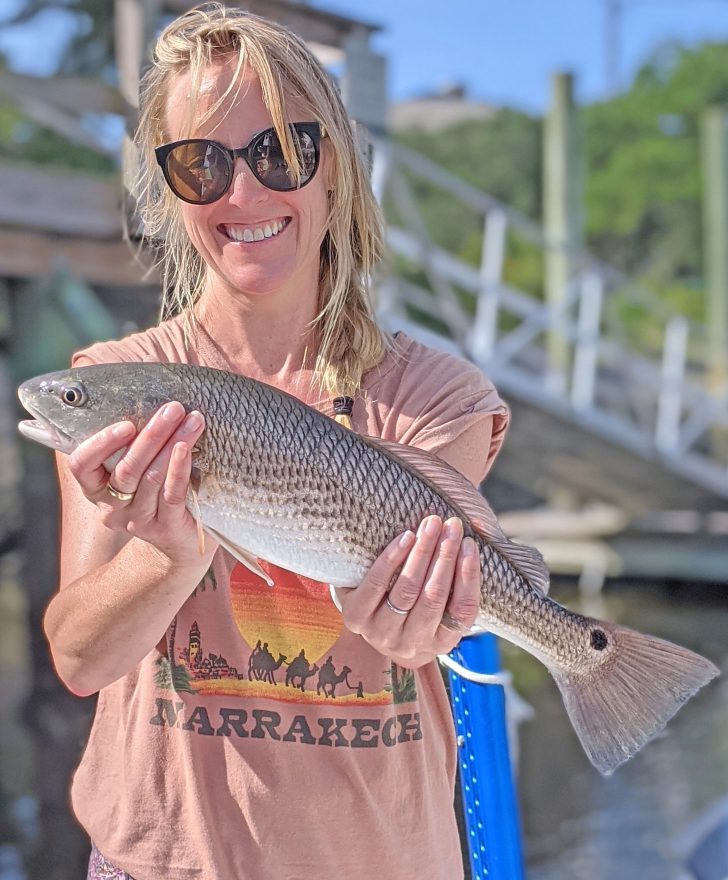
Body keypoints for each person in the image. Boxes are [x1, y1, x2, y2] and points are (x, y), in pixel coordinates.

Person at [45, 4, 510, 878]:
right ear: (170, 192)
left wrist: (418, 627)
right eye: (201, 163)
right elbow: (78, 657)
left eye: (281, 152)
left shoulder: (437, 399)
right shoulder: (119, 378)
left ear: (335, 167)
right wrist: (168, 555)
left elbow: (424, 624)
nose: (244, 193)